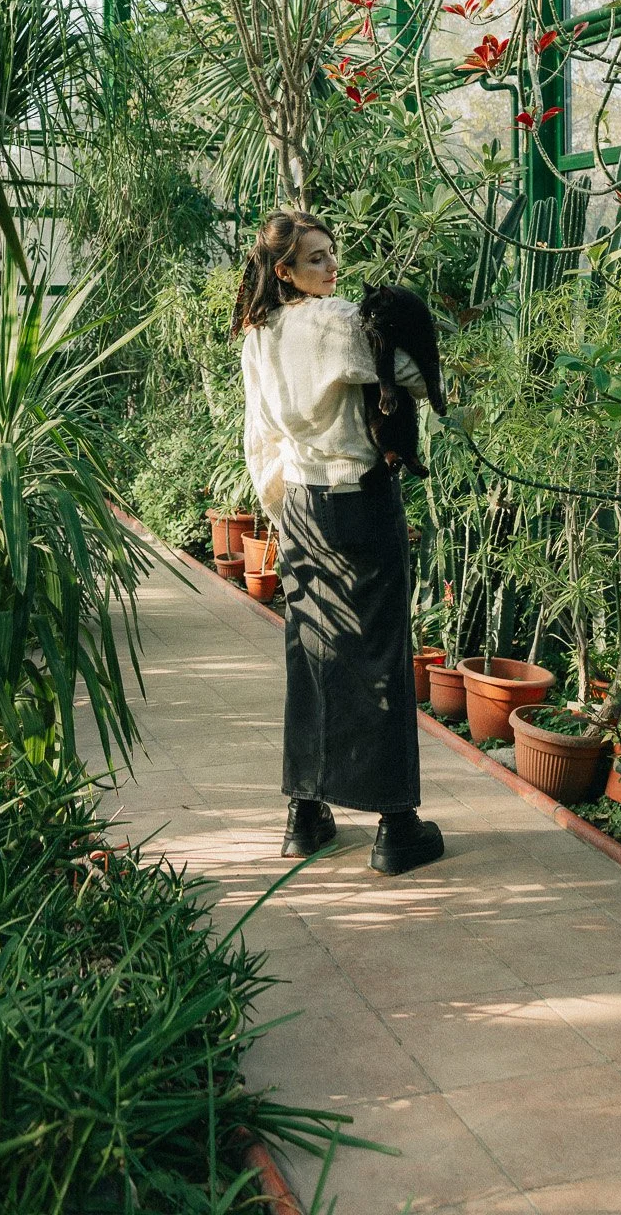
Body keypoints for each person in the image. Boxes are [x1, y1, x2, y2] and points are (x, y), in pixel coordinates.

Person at [232, 210, 444, 877]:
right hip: (359, 499)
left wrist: (284, 502)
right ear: (285, 271)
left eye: (331, 255)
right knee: (378, 655)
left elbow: (257, 437)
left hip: (299, 504)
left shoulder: (257, 335)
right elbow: (409, 376)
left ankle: (305, 814)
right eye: (316, 259)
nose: (332, 268)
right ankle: (395, 827)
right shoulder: (339, 320)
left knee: (311, 652)